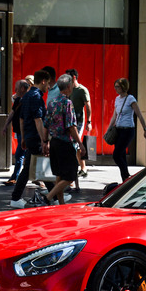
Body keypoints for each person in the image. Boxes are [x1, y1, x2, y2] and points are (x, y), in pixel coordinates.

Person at [35, 73, 86, 205]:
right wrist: (80, 144)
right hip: (65, 143)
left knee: (59, 174)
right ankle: (48, 198)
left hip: (54, 142)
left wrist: (45, 141)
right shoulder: (67, 103)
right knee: (70, 175)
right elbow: (71, 126)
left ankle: (61, 203)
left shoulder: (52, 103)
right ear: (69, 87)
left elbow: (46, 124)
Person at [10, 69, 51, 208]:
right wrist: (44, 140)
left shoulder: (26, 96)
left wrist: (22, 138)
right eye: (48, 83)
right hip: (35, 137)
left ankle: (55, 195)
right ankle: (55, 196)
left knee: (36, 166)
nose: (48, 87)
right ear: (43, 81)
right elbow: (38, 120)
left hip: (28, 136)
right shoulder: (36, 97)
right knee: (37, 166)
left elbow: (21, 119)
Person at [106, 77, 146, 181]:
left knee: (117, 154)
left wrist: (145, 129)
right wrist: (109, 128)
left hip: (128, 130)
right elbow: (114, 116)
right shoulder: (117, 99)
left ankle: (126, 177)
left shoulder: (130, 99)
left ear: (123, 87)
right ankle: (125, 179)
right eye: (115, 87)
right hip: (118, 130)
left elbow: (139, 115)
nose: (116, 89)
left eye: (117, 87)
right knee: (122, 155)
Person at [2, 79, 30, 185]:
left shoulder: (28, 100)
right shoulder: (18, 100)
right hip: (19, 132)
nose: (15, 90)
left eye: (16, 88)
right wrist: (5, 125)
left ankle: (17, 177)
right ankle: (17, 177)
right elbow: (12, 113)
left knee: (20, 154)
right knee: (21, 155)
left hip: (26, 133)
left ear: (22, 88)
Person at [67, 68, 91, 181]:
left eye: (68, 77)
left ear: (74, 77)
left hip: (79, 121)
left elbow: (88, 106)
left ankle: (79, 168)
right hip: (69, 121)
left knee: (75, 143)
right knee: (74, 144)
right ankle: (83, 167)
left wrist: (89, 121)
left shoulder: (82, 90)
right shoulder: (68, 90)